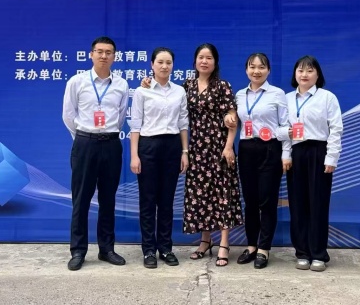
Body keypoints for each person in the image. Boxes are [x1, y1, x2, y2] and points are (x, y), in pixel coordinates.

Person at [140, 43, 241, 267]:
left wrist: (228, 146)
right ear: (195, 61)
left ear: (215, 62)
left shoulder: (222, 86)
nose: (204, 61)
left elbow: (232, 117)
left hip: (219, 148)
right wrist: (147, 83)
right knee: (201, 195)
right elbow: (169, 102)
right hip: (196, 149)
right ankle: (205, 241)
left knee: (222, 194)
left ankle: (224, 243)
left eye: (209, 58)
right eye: (201, 57)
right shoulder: (186, 86)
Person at [62, 36, 129, 271]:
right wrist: (84, 137)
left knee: (108, 199)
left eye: (108, 52)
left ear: (114, 57)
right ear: (91, 54)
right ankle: (78, 250)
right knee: (81, 199)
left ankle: (106, 249)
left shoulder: (121, 85)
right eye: (99, 51)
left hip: (111, 144)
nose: (103, 56)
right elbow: (68, 115)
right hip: (85, 144)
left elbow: (121, 117)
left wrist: (105, 134)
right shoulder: (77, 82)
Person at [225, 53, 291, 269]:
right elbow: (233, 119)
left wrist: (285, 153)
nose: (256, 71)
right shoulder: (240, 95)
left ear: (268, 70)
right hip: (246, 149)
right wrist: (229, 118)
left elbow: (286, 126)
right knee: (251, 201)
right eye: (252, 67)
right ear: (246, 70)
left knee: (267, 201)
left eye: (261, 67)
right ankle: (252, 245)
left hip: (270, 148)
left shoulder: (277, 94)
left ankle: (264, 248)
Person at [129, 47, 190, 269]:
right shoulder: (141, 91)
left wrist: (185, 152)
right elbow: (136, 125)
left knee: (166, 201)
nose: (165, 66)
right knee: (147, 201)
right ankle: (148, 250)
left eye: (168, 62)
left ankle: (165, 248)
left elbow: (183, 122)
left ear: (173, 65)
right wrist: (134, 155)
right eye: (160, 62)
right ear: (152, 65)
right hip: (148, 146)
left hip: (172, 146)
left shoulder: (179, 91)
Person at [285, 55, 343, 272]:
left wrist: (331, 157)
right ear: (295, 74)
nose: (305, 75)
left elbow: (336, 129)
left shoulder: (327, 98)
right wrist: (286, 154)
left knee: (318, 203)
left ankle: (318, 253)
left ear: (318, 75)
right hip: (296, 152)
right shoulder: (287, 99)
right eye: (300, 70)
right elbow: (282, 130)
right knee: (297, 204)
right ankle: (302, 252)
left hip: (319, 152)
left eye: (310, 71)